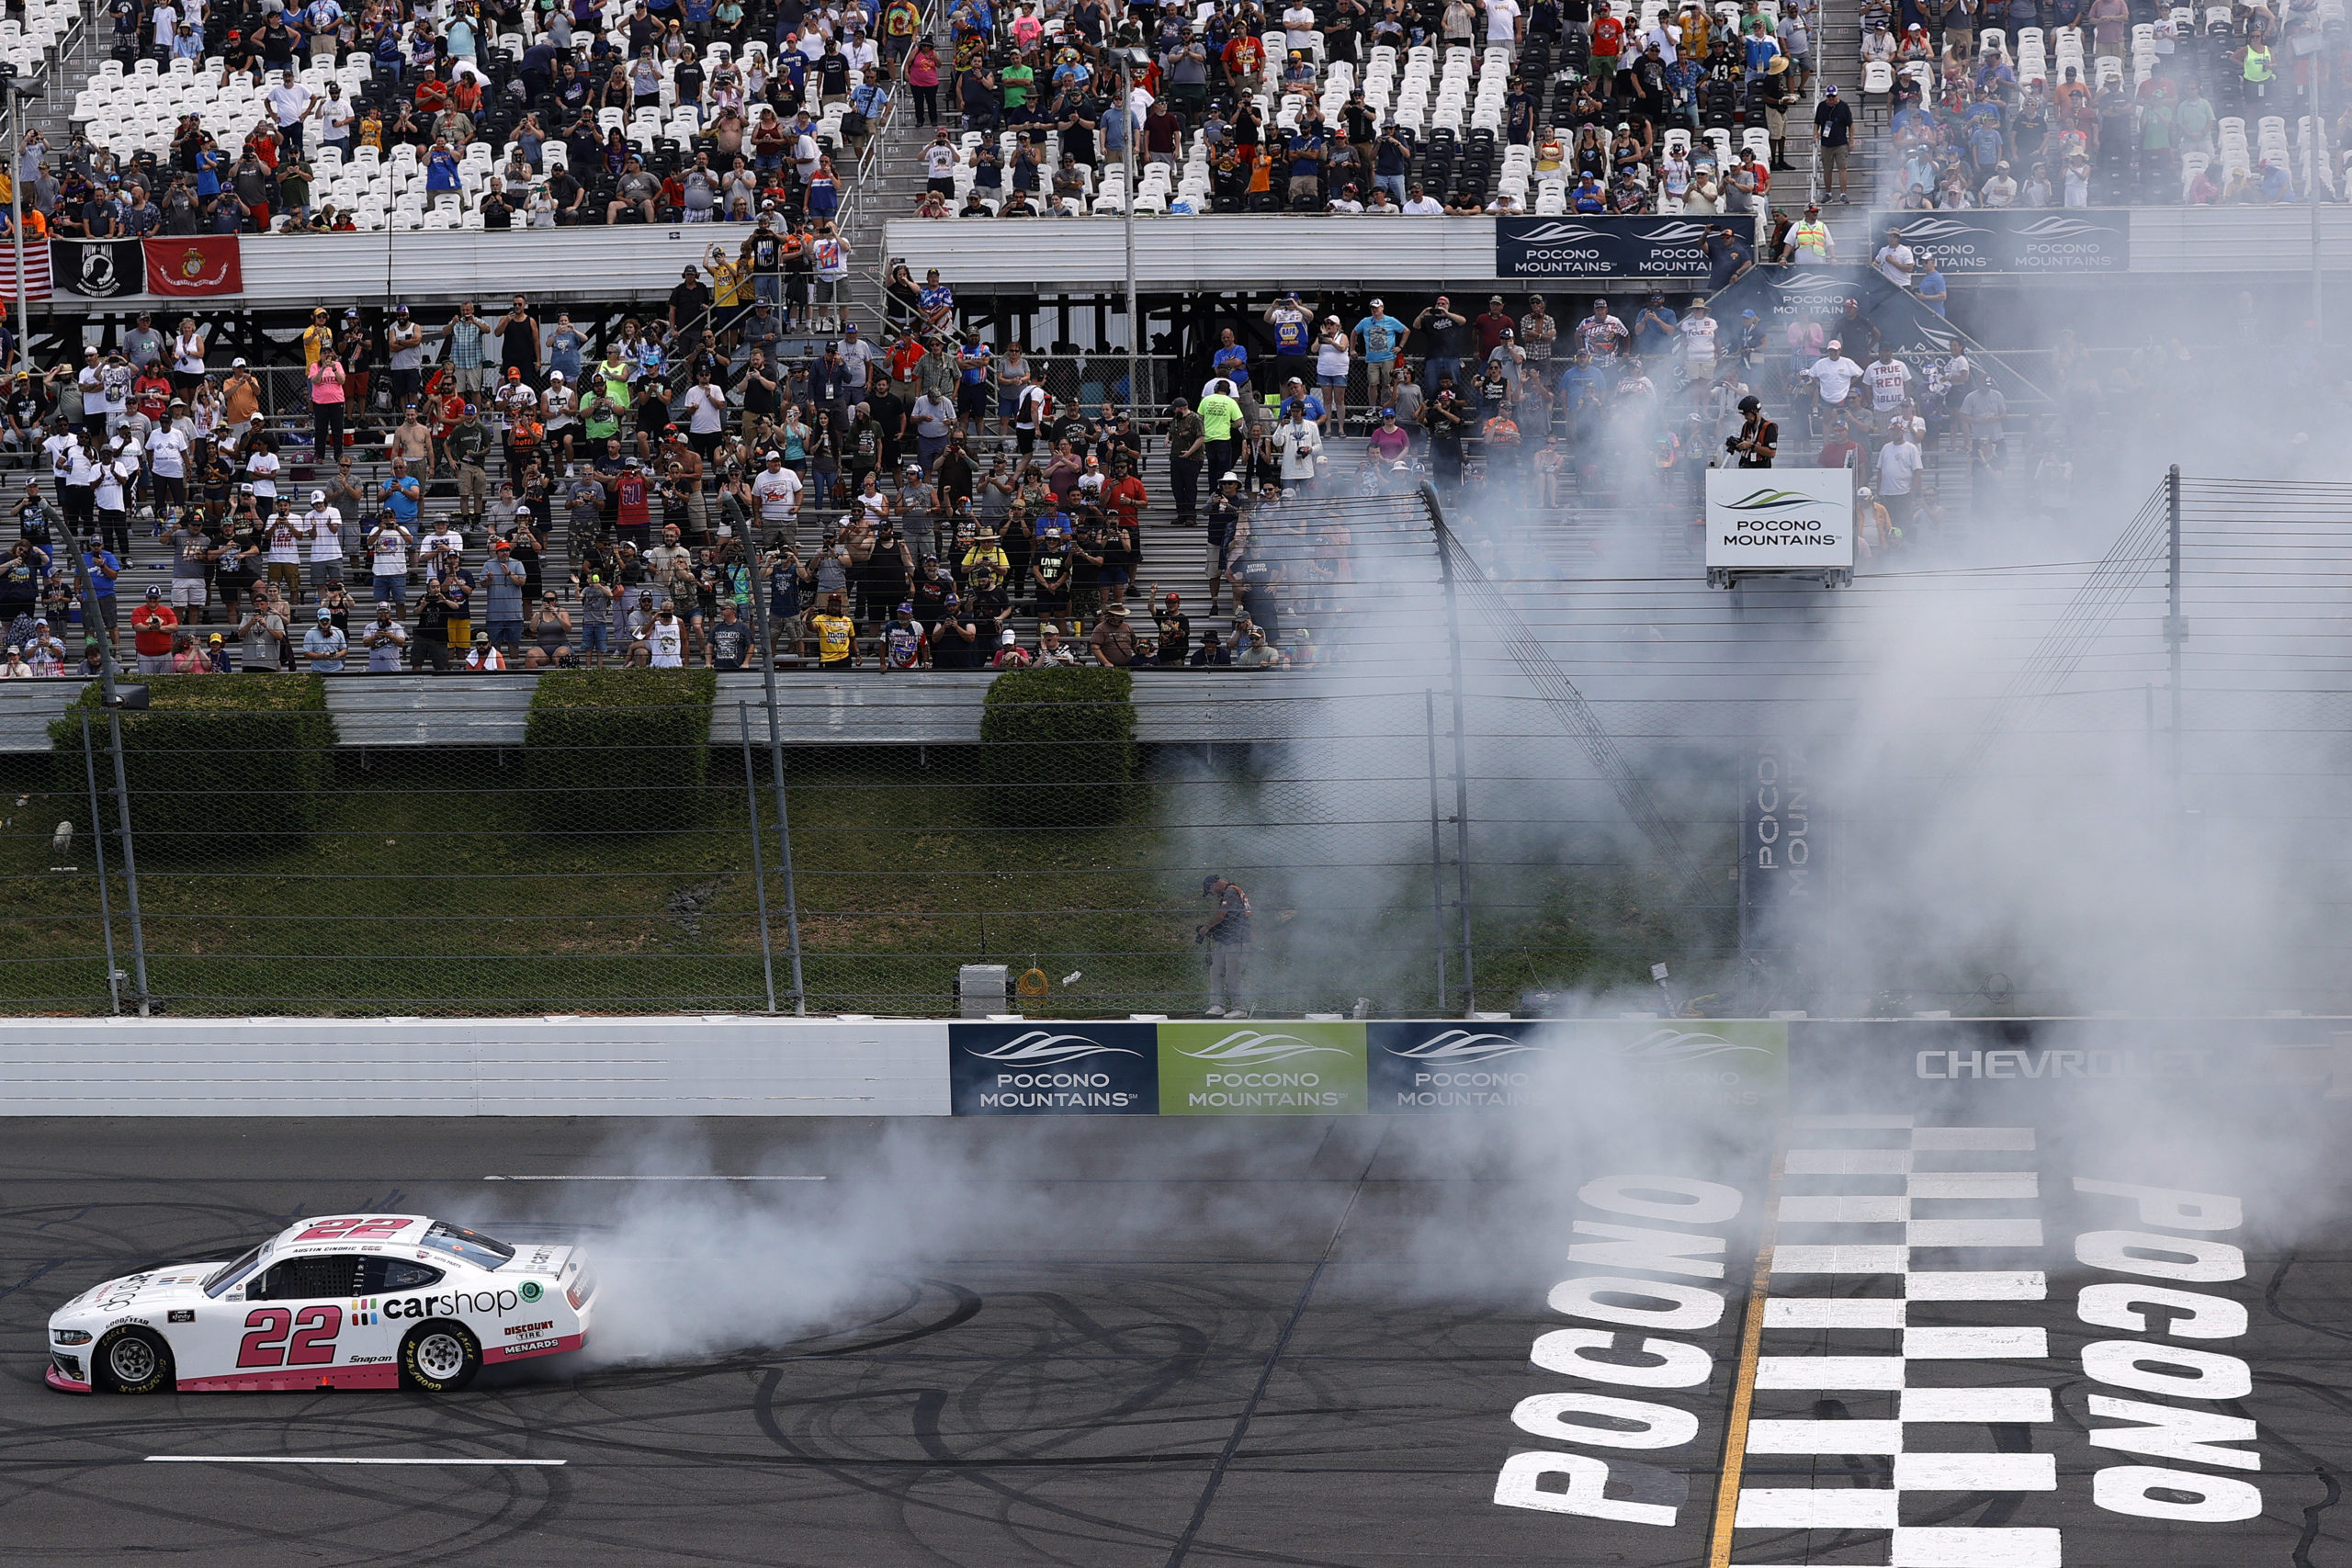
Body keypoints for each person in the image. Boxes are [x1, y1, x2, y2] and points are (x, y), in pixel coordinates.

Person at [1197, 874, 1251, 1018]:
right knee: (1215, 970)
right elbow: (1227, 918)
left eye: (1211, 891)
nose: (1213, 894)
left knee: (1232, 975)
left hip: (1236, 940)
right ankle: (1217, 1005)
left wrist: (1207, 928)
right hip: (1226, 940)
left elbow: (1221, 915)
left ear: (1215, 885)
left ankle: (1239, 1008)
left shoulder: (1231, 891)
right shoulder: (1229, 893)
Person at [1728, 394, 1777, 467]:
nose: (1745, 417)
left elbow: (1772, 453)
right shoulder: (1746, 426)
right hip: (1745, 464)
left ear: (1755, 411)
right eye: (1744, 415)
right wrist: (1736, 445)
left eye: (1747, 414)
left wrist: (1752, 446)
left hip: (1761, 467)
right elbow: (1744, 448)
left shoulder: (1769, 427)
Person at [301, 605, 347, 672]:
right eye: (322, 620)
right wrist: (321, 656)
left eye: (327, 620)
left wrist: (339, 654)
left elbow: (344, 649)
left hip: (337, 669)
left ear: (331, 619)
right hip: (318, 670)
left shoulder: (338, 631)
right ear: (317, 620)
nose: (324, 622)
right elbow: (306, 653)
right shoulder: (310, 633)